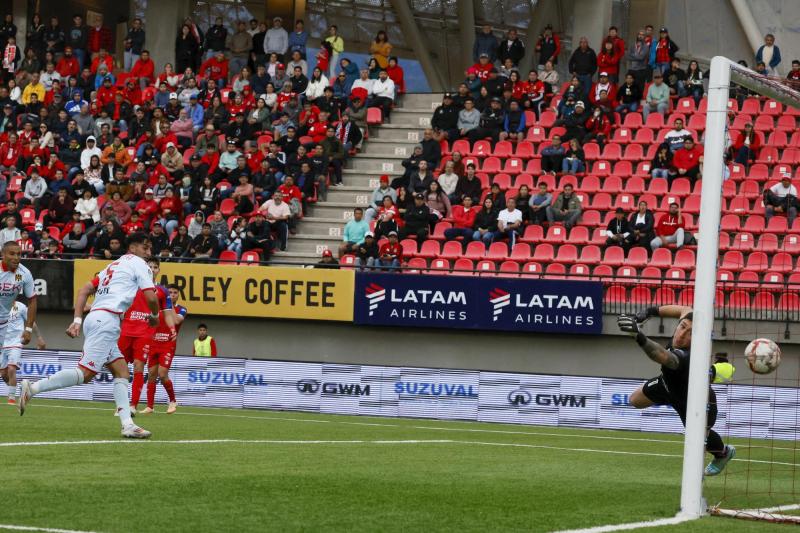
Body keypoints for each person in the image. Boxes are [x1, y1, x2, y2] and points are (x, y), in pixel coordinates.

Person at [20, 233, 157, 438]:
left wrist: (77, 320)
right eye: (145, 248)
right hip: (107, 321)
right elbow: (151, 297)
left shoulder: (113, 265)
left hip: (96, 318)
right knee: (85, 374)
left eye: (150, 248)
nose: (149, 252)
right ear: (133, 248)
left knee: (122, 372)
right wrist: (154, 316)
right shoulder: (139, 263)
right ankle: (33, 388)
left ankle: (127, 424)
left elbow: (84, 289)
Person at [617, 306, 735, 476]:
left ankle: (723, 453)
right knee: (634, 400)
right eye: (682, 326)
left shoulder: (688, 356)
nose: (682, 334)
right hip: (666, 386)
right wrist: (650, 312)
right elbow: (683, 309)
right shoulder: (688, 318)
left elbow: (662, 355)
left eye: (691, 333)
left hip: (695, 402)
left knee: (698, 442)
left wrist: (639, 336)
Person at [117, 257, 175, 412]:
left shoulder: (162, 291)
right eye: (150, 267)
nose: (152, 269)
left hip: (145, 332)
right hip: (126, 330)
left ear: (158, 270)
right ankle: (121, 404)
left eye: (155, 267)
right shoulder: (131, 285)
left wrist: (172, 328)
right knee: (120, 367)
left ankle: (132, 406)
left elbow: (167, 313)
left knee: (138, 366)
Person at [1, 296, 43, 405]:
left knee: (11, 369)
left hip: (16, 343)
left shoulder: (21, 307)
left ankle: (11, 399)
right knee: (4, 374)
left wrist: (39, 337)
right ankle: (22, 389)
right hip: (2, 344)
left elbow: (31, 322)